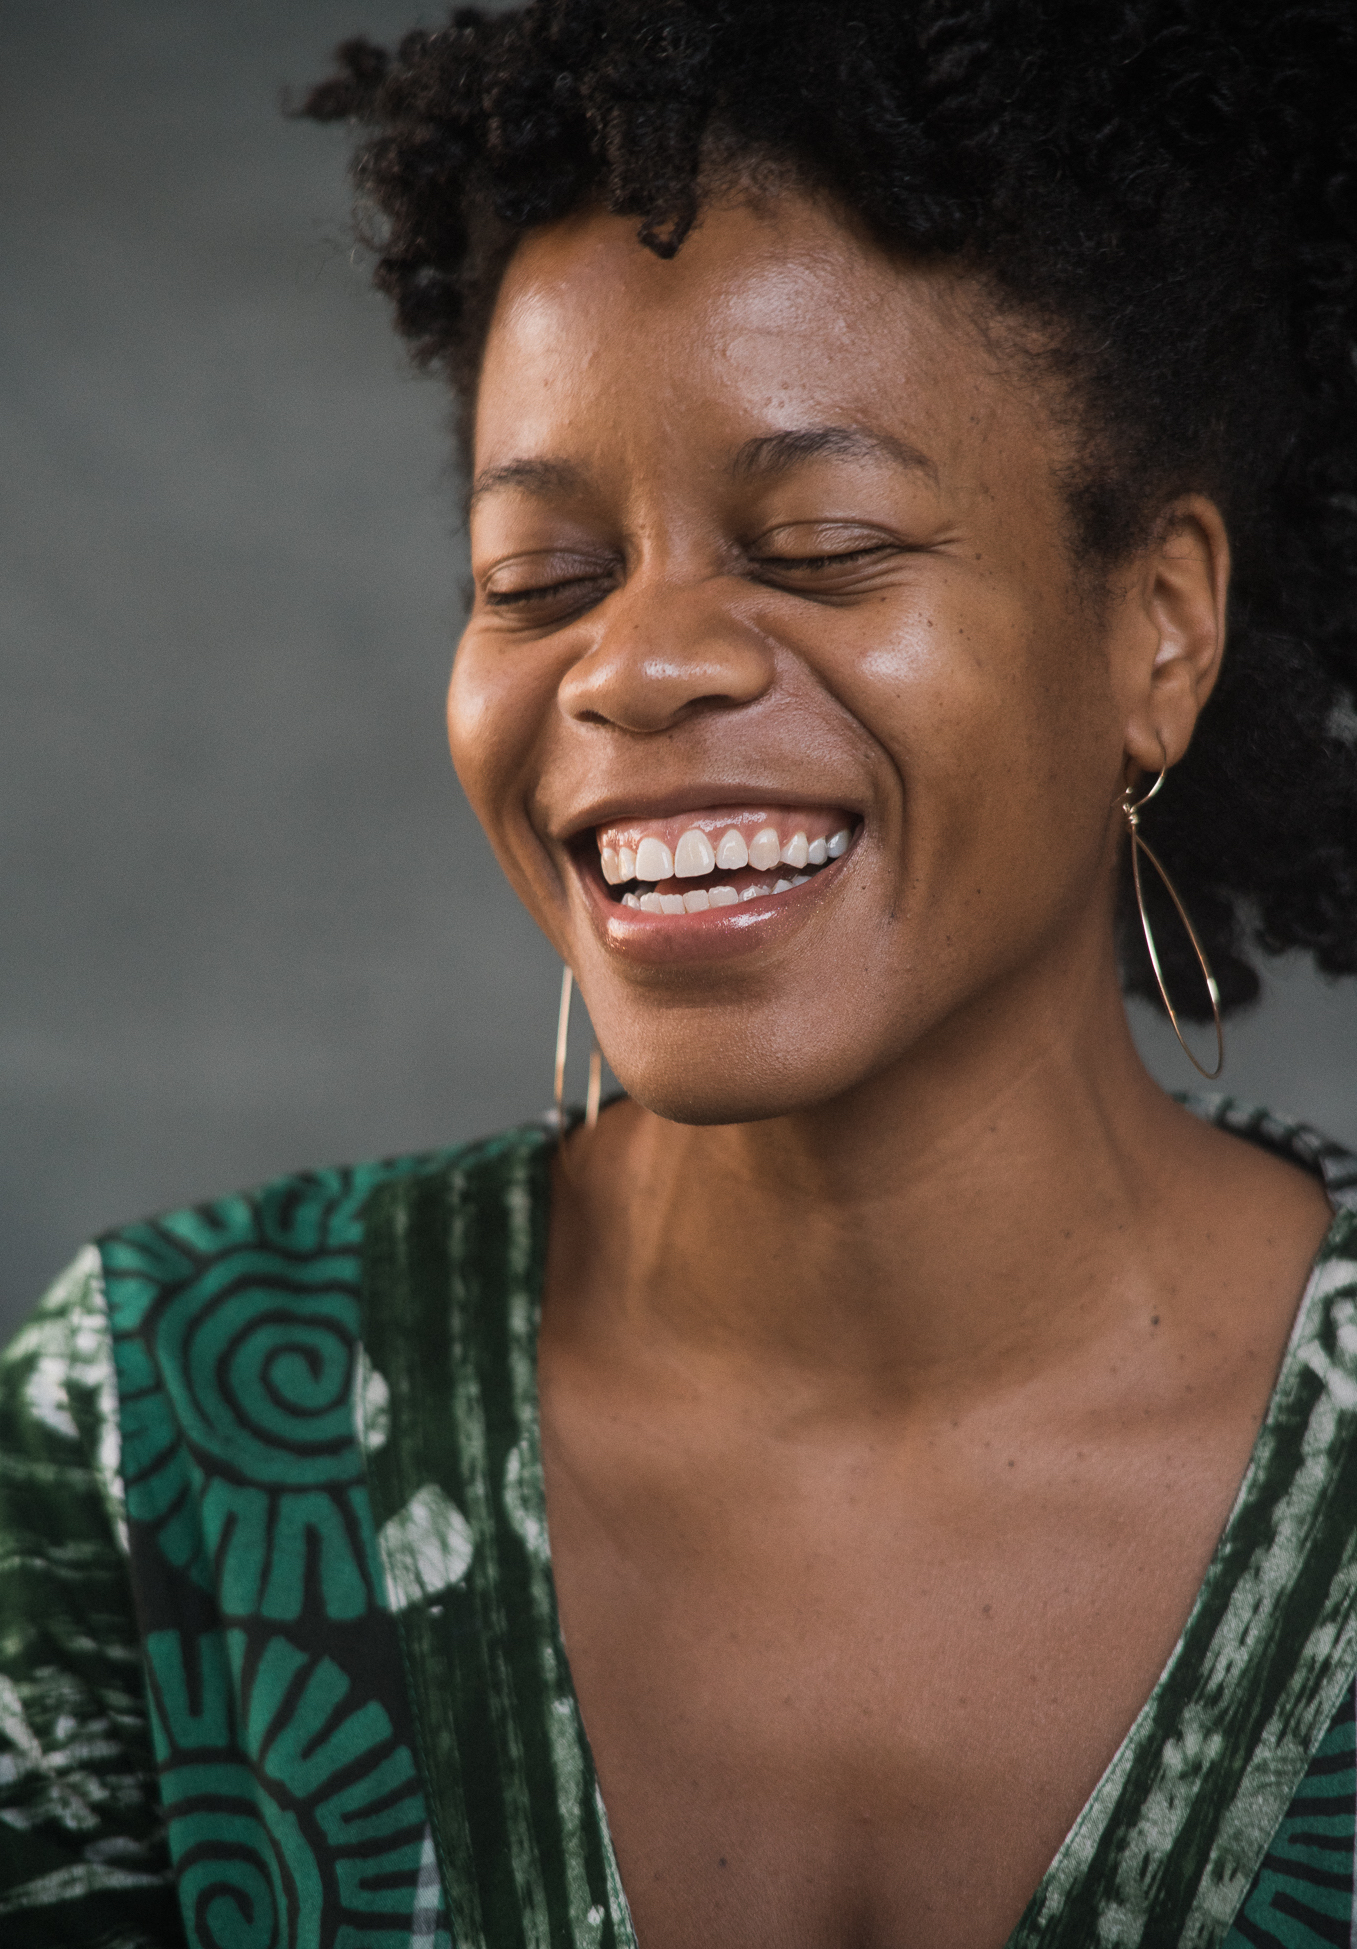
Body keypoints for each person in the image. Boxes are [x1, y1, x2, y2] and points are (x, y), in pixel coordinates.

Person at [3, 2, 1357, 1944]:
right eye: (537, 580)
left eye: (817, 546)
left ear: (1157, 628)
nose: (633, 668)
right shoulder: (157, 1437)